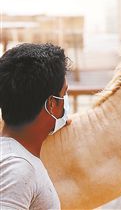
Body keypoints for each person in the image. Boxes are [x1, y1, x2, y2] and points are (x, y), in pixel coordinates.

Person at [0, 43, 71, 209]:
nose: (65, 101)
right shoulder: (17, 168)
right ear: (52, 104)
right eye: (64, 94)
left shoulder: (14, 155)